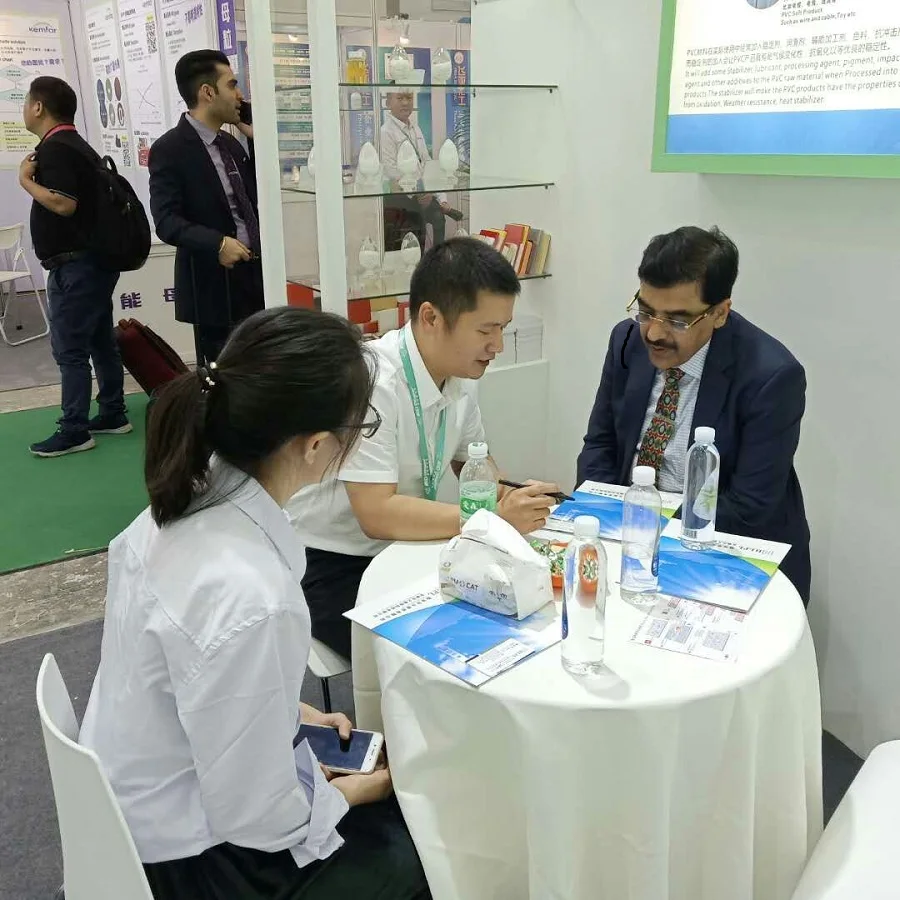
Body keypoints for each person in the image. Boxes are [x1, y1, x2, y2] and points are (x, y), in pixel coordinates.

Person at [79, 307, 431, 900]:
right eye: (362, 424)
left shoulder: (177, 507)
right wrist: (350, 794)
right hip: (189, 860)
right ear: (316, 445)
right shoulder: (256, 598)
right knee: (421, 847)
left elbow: (190, 679)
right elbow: (261, 819)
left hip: (133, 805)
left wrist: (289, 716)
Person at [289, 238, 558, 657]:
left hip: (405, 548)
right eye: (485, 330)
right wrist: (491, 517)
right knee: (444, 649)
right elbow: (376, 513)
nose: (498, 346)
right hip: (332, 560)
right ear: (431, 317)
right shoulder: (374, 380)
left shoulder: (460, 377)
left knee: (509, 613)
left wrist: (514, 495)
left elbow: (475, 464)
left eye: (502, 329)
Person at [577, 226, 811, 603]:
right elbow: (599, 447)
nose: (654, 333)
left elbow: (749, 509)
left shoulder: (771, 376)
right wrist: (610, 524)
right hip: (629, 542)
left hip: (726, 554)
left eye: (677, 320)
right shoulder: (627, 340)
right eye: (646, 311)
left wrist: (644, 521)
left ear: (719, 313)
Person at [19, 76, 130, 457]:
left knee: (70, 349)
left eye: (26, 102)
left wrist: (25, 181)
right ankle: (113, 412)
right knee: (99, 341)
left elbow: (64, 203)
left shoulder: (56, 150)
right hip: (93, 263)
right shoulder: (77, 145)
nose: (24, 109)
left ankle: (74, 429)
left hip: (76, 266)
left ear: (38, 107)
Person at [149, 50, 261, 365]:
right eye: (232, 85)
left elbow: (257, 199)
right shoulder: (170, 149)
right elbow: (166, 221)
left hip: (256, 278)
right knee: (222, 376)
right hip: (215, 285)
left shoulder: (232, 144)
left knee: (261, 369)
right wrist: (218, 243)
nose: (240, 96)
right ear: (207, 92)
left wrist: (256, 139)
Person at [380, 89, 460, 251]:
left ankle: (437, 260)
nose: (405, 102)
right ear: (388, 102)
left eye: (409, 97)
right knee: (411, 245)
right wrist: (419, 192)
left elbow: (426, 163)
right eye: (399, 98)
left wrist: (440, 197)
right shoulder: (385, 132)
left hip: (423, 195)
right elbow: (391, 171)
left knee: (438, 219)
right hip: (400, 199)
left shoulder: (415, 128)